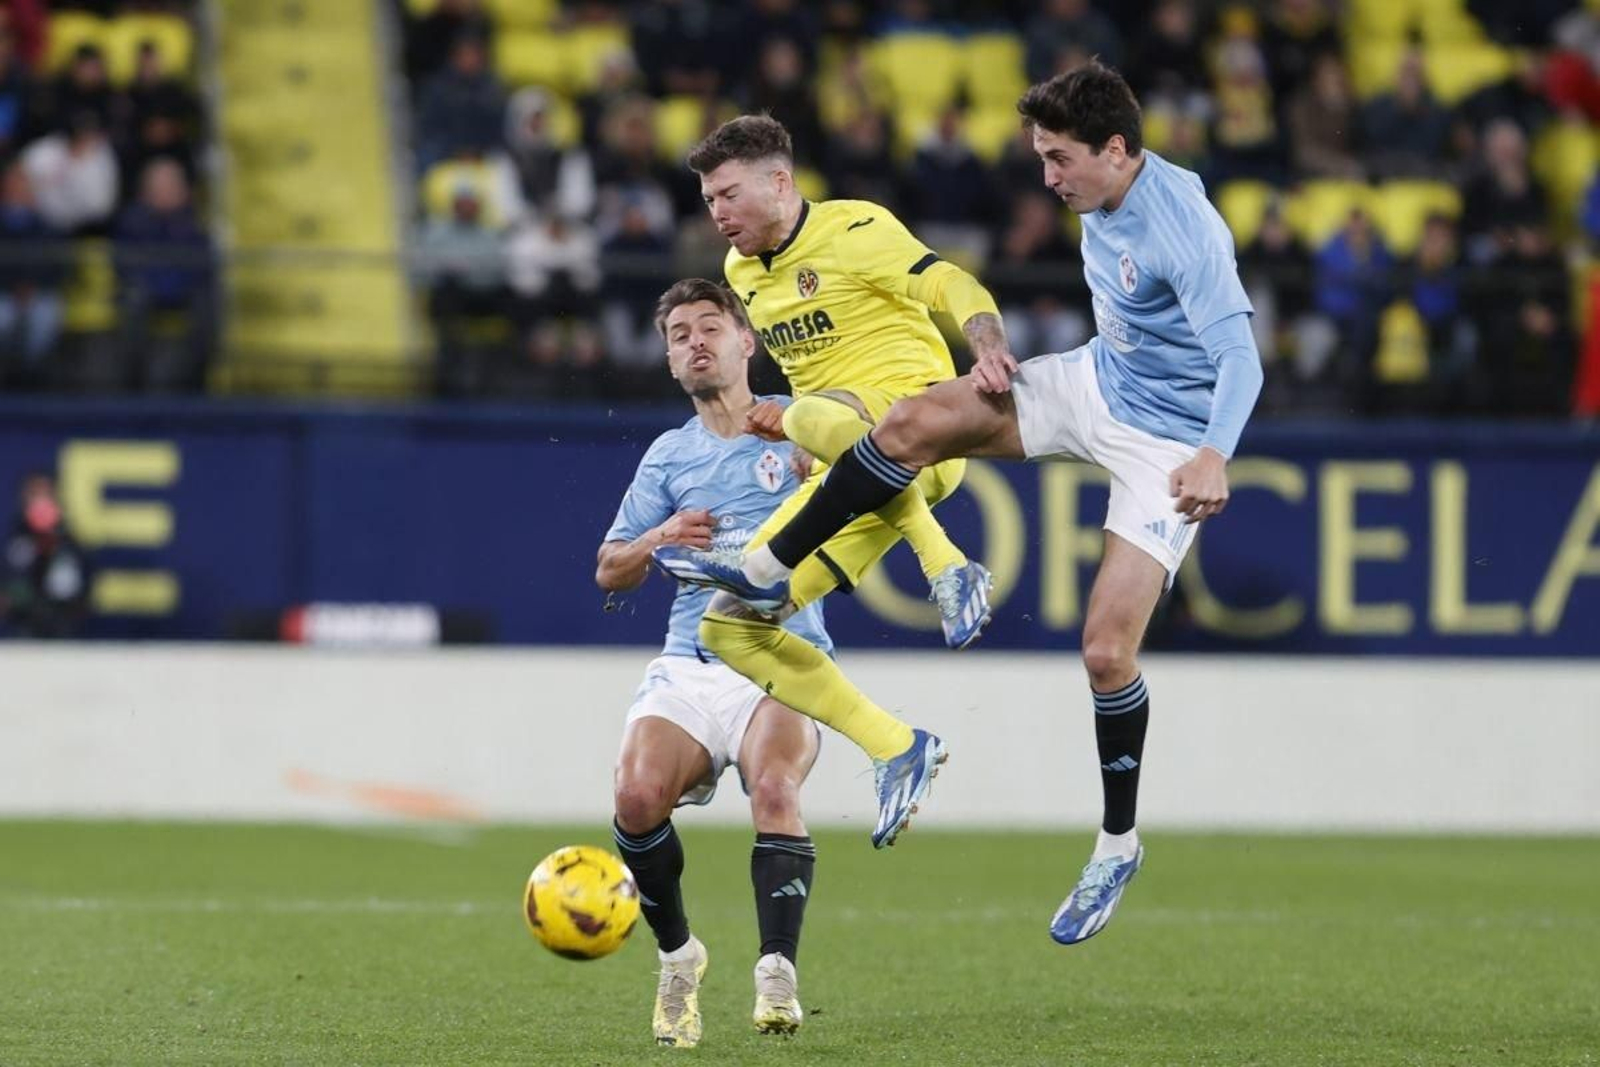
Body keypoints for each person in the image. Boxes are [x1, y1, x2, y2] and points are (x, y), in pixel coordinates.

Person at [668, 64, 1264, 944]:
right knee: (909, 423)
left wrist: (1214, 453)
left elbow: (1242, 359)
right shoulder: (1098, 200)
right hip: (1097, 383)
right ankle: (763, 568)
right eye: (1041, 158)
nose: (1049, 178)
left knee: (1105, 651)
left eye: (1061, 159)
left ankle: (1116, 841)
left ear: (1116, 149)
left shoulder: (1186, 230)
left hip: (1172, 440)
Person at [653, 114, 1016, 848]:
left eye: (727, 194)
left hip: (923, 430)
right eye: (708, 199)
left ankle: (944, 563)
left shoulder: (855, 230)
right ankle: (897, 746)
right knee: (730, 625)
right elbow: (813, 367)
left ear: (779, 182)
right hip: (853, 464)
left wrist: (987, 344)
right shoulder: (740, 273)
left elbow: (950, 280)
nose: (716, 213)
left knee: (799, 416)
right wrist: (813, 434)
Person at [599, 278, 833, 1047]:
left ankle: (777, 970)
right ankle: (678, 957)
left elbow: (881, 495)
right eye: (678, 335)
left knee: (773, 786)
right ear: (669, 360)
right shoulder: (669, 454)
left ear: (747, 341)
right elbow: (609, 568)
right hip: (691, 659)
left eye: (709, 327)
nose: (694, 341)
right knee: (635, 799)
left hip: (782, 654)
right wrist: (660, 535)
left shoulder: (802, 429)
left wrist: (829, 483)